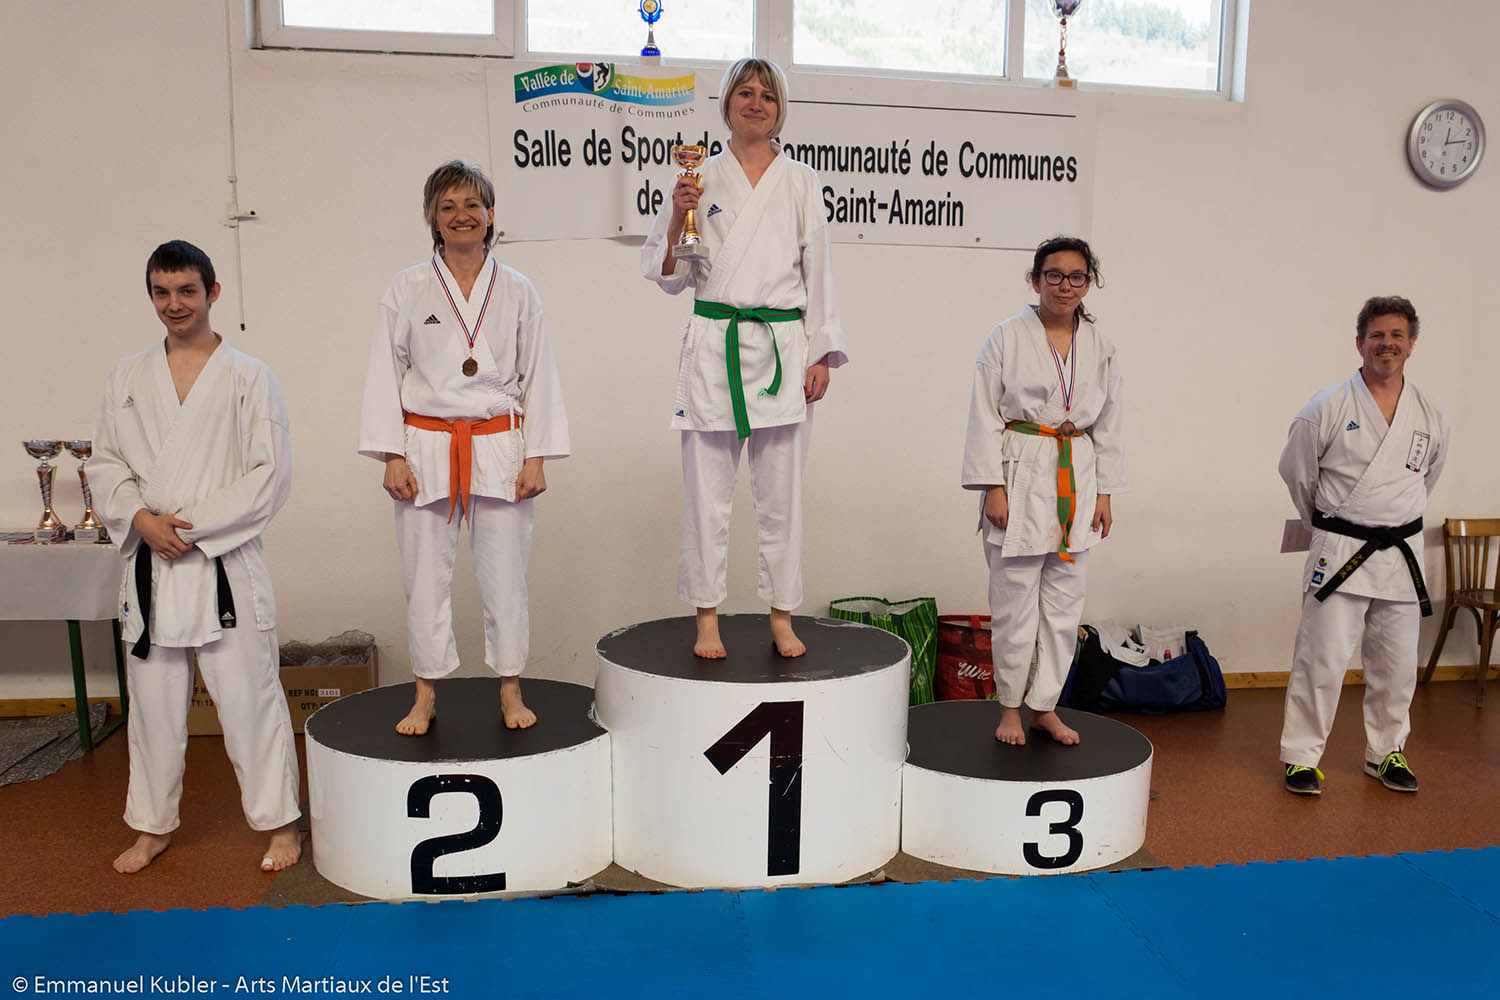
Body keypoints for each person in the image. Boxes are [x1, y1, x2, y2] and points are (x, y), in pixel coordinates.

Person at [90, 240, 301, 874]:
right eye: (161, 292)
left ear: (212, 293)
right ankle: (151, 827)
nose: (174, 303)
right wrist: (142, 521)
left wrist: (191, 528)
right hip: (152, 565)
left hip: (221, 562)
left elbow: (269, 473)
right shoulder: (126, 376)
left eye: (186, 290)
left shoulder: (248, 375)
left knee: (250, 698)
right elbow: (105, 463)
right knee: (152, 706)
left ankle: (281, 824)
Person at [641, 57, 848, 659]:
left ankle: (781, 613)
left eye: (768, 96)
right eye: (746, 93)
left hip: (781, 346)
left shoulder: (800, 179)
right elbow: (669, 275)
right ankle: (707, 616)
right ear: (727, 103)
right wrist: (678, 214)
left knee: (783, 496)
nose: (756, 103)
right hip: (715, 343)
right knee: (706, 495)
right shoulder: (698, 176)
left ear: (780, 110)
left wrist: (820, 354)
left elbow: (819, 268)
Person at [359, 160, 569, 736]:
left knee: (506, 574)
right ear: (433, 218)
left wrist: (537, 456)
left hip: (497, 440)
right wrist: (391, 455)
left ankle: (510, 686)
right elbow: (383, 372)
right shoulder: (407, 288)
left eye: (472, 205)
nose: (461, 216)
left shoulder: (518, 289)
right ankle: (425, 692)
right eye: (447, 206)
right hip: (426, 444)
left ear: (490, 214)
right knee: (423, 576)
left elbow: (539, 373)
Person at [1277, 296, 1449, 796]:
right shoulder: (1327, 405)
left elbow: (1428, 477)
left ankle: (1386, 751)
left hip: (1400, 552)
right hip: (1340, 548)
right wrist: (1329, 523)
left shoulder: (1431, 412)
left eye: (1397, 335)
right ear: (1360, 343)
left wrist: (1391, 518)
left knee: (1396, 666)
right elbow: (1297, 474)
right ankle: (1301, 757)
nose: (1386, 344)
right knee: (1322, 659)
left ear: (1411, 345)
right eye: (1377, 335)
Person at [961, 236, 1126, 746]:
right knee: (1015, 605)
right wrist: (992, 487)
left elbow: (1111, 421)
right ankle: (1010, 708)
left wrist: (1105, 492)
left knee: (1064, 608)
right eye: (1054, 275)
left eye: (1076, 277)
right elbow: (984, 414)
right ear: (1035, 280)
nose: (1064, 286)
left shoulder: (1100, 345)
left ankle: (1044, 706)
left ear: (1088, 284)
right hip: (1021, 472)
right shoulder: (1006, 337)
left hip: (1077, 474)